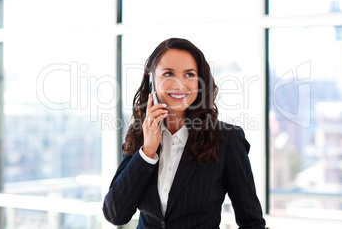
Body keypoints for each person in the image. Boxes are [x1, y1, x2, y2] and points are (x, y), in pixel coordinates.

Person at [103, 38, 266, 228]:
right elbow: (115, 214)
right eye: (168, 74)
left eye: (189, 74)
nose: (179, 85)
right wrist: (148, 151)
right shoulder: (140, 134)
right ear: (151, 79)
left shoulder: (226, 138)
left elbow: (252, 222)